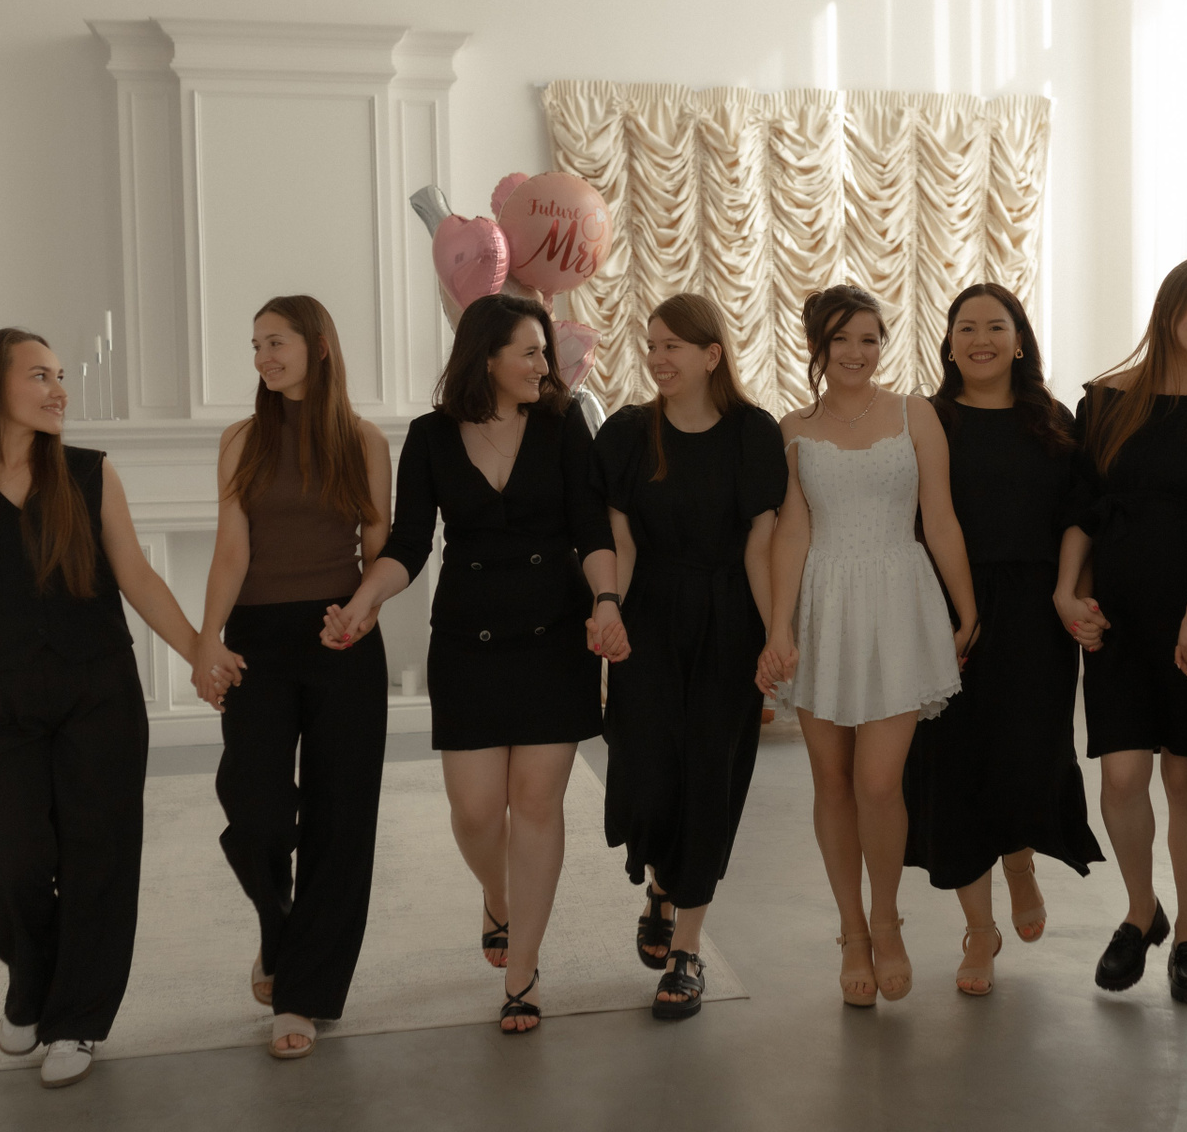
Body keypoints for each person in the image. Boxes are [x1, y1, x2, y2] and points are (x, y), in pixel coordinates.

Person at [0, 328, 201, 1088]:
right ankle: (31, 983)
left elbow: (136, 576)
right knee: (9, 865)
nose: (59, 390)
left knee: (100, 861)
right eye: (40, 375)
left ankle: (77, 1022)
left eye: (61, 376)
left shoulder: (90, 474)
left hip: (98, 694)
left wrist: (200, 651)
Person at [323, 294, 625, 1034]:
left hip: (554, 637)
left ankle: (523, 970)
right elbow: (408, 544)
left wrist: (607, 601)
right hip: (468, 643)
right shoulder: (430, 436)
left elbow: (590, 529)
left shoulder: (563, 424)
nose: (544, 365)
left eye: (545, 352)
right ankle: (497, 893)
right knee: (477, 812)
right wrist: (362, 603)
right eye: (529, 351)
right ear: (485, 357)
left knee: (539, 804)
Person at [757, 284, 979, 1007]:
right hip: (823, 605)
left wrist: (966, 608)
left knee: (880, 782)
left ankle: (887, 919)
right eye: (841, 339)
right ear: (816, 346)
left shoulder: (916, 414)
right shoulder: (792, 427)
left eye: (869, 339)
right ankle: (851, 930)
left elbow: (940, 518)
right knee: (831, 782)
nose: (857, 352)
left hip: (898, 601)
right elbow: (792, 531)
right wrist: (779, 627)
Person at [190, 296, 392, 1059]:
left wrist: (362, 612)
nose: (262, 358)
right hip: (258, 641)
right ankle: (278, 929)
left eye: (275, 342)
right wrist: (207, 642)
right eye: (255, 345)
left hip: (342, 637)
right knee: (256, 809)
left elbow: (379, 546)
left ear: (318, 346)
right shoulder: (241, 439)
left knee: (342, 822)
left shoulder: (364, 441)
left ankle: (301, 996)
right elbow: (231, 550)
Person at [1055, 259, 1187, 1005]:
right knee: (1121, 777)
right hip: (1119, 610)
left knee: (1185, 776)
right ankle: (1142, 911)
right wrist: (1067, 592)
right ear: (1169, 310)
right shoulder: (1108, 398)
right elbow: (1086, 506)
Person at [903, 283, 1104, 996]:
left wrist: (1071, 593)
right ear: (949, 343)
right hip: (946, 608)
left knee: (1027, 754)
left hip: (1034, 613)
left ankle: (1019, 858)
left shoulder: (1053, 420)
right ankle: (979, 931)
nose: (981, 339)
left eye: (996, 326)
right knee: (955, 764)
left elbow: (1081, 513)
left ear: (1020, 341)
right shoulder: (930, 419)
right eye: (966, 327)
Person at [592, 293, 787, 1020]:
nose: (658, 358)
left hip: (728, 620)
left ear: (712, 355)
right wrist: (610, 612)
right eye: (651, 345)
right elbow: (621, 539)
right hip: (647, 618)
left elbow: (761, 544)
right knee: (646, 775)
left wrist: (775, 634)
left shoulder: (754, 433)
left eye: (672, 345)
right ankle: (661, 885)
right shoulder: (627, 433)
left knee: (711, 778)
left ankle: (687, 950)